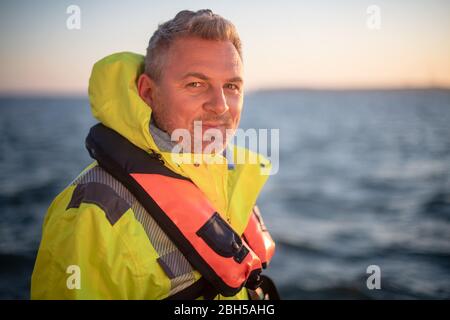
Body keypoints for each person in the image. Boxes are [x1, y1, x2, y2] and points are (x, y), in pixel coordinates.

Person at [31, 9, 277, 300]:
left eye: (231, 86)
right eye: (196, 84)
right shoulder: (91, 217)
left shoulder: (227, 179)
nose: (220, 105)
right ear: (148, 92)